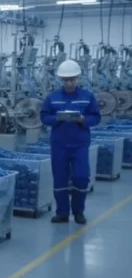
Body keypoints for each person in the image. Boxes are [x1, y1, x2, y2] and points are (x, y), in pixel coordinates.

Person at [39, 60, 101, 224]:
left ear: (77, 78)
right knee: (60, 178)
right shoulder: (52, 98)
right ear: (60, 80)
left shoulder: (87, 97)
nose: (69, 83)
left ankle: (78, 211)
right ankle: (62, 213)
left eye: (72, 79)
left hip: (80, 144)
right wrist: (57, 118)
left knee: (81, 177)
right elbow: (44, 116)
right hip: (59, 144)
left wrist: (82, 119)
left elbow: (96, 117)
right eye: (65, 80)